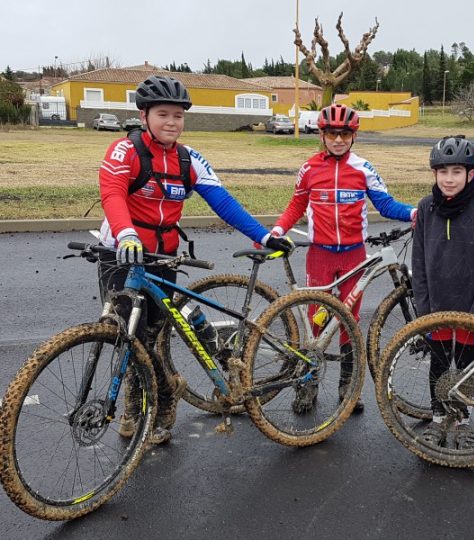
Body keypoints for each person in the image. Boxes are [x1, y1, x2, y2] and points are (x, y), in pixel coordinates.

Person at [98, 75, 293, 444]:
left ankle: (162, 396)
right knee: (127, 334)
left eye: (178, 115)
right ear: (144, 116)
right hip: (120, 252)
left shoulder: (190, 159)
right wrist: (125, 233)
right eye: (162, 114)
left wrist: (264, 235)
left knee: (149, 338)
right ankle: (140, 403)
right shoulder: (124, 150)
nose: (171, 122)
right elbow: (111, 192)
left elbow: (224, 203)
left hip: (162, 257)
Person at [271, 103, 417, 414]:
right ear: (321, 135)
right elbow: (295, 207)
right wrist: (278, 229)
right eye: (332, 134)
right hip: (320, 256)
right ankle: (307, 385)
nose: (338, 139)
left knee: (349, 320)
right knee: (317, 320)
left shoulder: (363, 169)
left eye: (345, 134)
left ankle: (347, 387)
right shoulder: (309, 169)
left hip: (354, 257)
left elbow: (386, 205)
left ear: (354, 136)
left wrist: (415, 212)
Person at [412, 136, 474, 449]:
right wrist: (423, 307)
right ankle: (438, 420)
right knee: (438, 366)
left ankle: (462, 421)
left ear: (470, 175)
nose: (449, 178)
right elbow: (419, 261)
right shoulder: (426, 207)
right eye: (443, 171)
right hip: (435, 307)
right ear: (434, 174)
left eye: (457, 172)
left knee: (463, 368)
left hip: (469, 308)